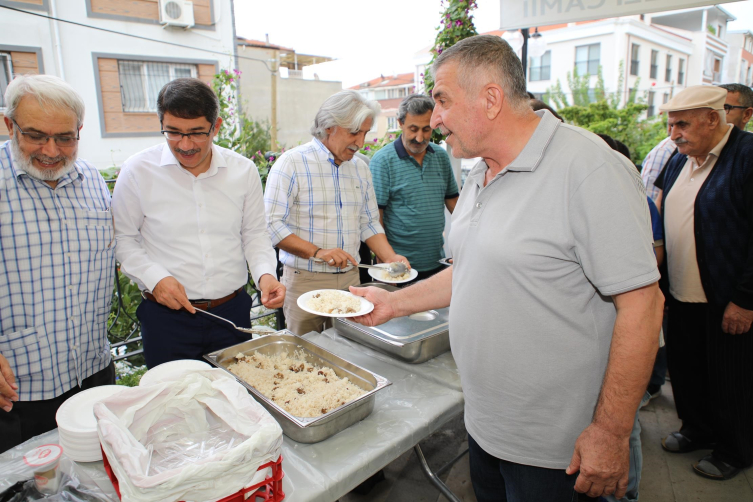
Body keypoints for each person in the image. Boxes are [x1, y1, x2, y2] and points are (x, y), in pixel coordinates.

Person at [350, 35, 663, 502]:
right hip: (485, 426)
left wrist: (611, 432)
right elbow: (472, 269)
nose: (433, 120)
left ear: (491, 98)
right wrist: (392, 303)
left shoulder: (590, 168)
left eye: (442, 101)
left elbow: (643, 305)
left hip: (558, 450)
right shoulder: (481, 170)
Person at [112, 78, 284, 369]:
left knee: (236, 400)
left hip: (232, 314)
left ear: (215, 127)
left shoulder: (243, 171)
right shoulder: (137, 170)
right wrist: (155, 278)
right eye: (174, 133)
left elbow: (254, 234)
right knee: (171, 405)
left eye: (196, 133)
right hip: (166, 318)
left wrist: (265, 275)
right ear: (162, 125)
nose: (185, 144)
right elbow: (124, 239)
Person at [0, 75, 116, 452]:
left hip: (93, 374)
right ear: (9, 125)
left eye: (65, 138)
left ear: (79, 132)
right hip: (20, 390)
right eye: (35, 135)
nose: (51, 150)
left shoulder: (95, 182)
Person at [654, 85, 753, 481]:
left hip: (727, 297)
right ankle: (696, 429)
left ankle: (734, 449)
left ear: (713, 119)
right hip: (681, 294)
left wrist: (746, 299)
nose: (673, 133)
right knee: (688, 370)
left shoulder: (747, 156)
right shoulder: (680, 161)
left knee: (731, 379)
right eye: (670, 124)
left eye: (682, 124)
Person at [264, 90, 409, 336]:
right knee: (304, 355)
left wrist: (390, 258)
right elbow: (271, 225)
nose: (361, 142)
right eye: (354, 132)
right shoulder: (291, 163)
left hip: (351, 281)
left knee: (347, 350)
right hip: (305, 281)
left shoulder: (360, 168)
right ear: (329, 126)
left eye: (365, 132)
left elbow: (369, 222)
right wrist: (318, 252)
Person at [368, 94, 459, 281]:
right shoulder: (382, 161)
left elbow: (454, 204)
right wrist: (385, 261)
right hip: (397, 269)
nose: (420, 137)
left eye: (426, 129)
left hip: (436, 263)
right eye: (413, 129)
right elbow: (375, 218)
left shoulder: (440, 157)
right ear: (400, 123)